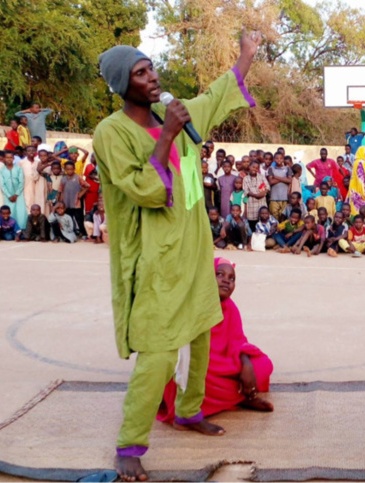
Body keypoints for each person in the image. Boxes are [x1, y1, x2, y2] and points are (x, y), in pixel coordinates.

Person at [92, 31, 261, 481]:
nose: (152, 77)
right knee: (160, 354)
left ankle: (189, 411)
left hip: (193, 250)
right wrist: (167, 134)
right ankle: (130, 443)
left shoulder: (176, 111)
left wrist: (245, 55)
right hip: (152, 259)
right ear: (120, 85)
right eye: (140, 72)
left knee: (204, 330)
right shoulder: (112, 133)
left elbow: (218, 94)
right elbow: (146, 191)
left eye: (152, 68)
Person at [159, 257, 273, 425]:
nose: (226, 280)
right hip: (198, 368)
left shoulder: (230, 308)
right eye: (220, 274)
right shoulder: (191, 303)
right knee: (183, 378)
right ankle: (239, 398)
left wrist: (246, 365)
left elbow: (238, 341)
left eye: (232, 278)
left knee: (264, 365)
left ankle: (230, 397)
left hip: (224, 366)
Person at [0, 151, 28, 230]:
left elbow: (21, 182)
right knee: (10, 211)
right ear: (4, 159)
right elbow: (2, 184)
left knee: (21, 212)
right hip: (7, 194)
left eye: (10, 157)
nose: (9, 159)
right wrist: (9, 195)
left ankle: (21, 229)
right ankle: (10, 229)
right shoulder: (2, 170)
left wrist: (16, 194)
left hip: (19, 194)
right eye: (7, 157)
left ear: (13, 158)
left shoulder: (18, 168)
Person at [242, 160, 268, 232]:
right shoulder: (246, 178)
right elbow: (246, 190)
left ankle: (261, 235)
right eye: (253, 167)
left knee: (261, 219)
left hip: (261, 202)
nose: (254, 169)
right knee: (252, 221)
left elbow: (268, 187)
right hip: (251, 203)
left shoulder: (262, 177)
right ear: (249, 167)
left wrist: (262, 194)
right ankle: (252, 237)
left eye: (257, 168)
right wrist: (256, 195)